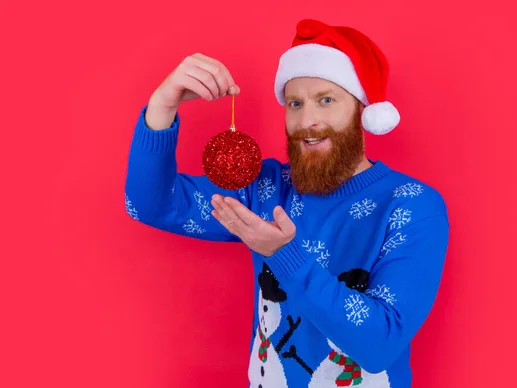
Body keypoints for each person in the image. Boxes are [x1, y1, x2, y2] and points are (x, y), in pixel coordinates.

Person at [125, 18, 450, 388]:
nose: (307, 120)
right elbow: (150, 204)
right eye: (295, 103)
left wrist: (284, 253)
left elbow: (378, 345)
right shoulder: (265, 189)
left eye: (326, 100)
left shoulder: (412, 206)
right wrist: (163, 104)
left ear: (363, 110)